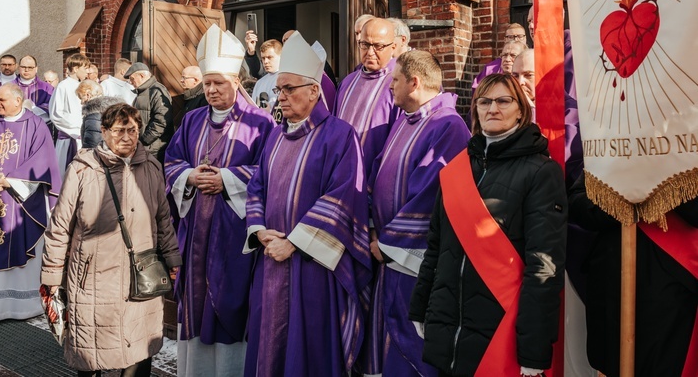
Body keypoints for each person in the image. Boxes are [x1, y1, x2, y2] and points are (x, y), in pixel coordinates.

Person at [409, 73, 567, 377]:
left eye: (503, 101)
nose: (493, 108)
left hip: (501, 330)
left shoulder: (541, 172)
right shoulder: (457, 169)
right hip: (449, 330)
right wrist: (420, 307)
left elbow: (544, 266)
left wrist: (534, 351)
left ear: (520, 109)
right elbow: (436, 247)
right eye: (485, 101)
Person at [243, 31, 371, 377]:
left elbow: (344, 197)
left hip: (312, 265)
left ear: (314, 91)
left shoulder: (339, 135)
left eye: (289, 89)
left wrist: (293, 242)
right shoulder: (275, 134)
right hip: (271, 259)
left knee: (308, 349)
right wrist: (259, 232)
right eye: (279, 89)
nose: (280, 96)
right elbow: (257, 186)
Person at [164, 24, 275, 376]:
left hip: (233, 232)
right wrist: (189, 177)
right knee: (194, 305)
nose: (211, 90)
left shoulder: (260, 123)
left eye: (219, 83)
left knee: (231, 301)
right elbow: (171, 160)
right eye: (207, 83)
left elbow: (269, 171)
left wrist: (225, 179)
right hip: (195, 226)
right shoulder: (192, 119)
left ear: (236, 81)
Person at [41, 103, 181, 377]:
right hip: (93, 277)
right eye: (118, 131)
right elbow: (60, 226)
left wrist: (173, 258)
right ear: (103, 132)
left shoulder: (151, 166)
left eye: (132, 130)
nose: (126, 137)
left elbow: (164, 219)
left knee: (139, 347)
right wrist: (52, 275)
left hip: (140, 275)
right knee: (91, 351)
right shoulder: (83, 170)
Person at [363, 51, 471, 377]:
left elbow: (430, 194)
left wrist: (387, 242)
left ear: (414, 82)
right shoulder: (403, 121)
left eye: (394, 80)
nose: (389, 87)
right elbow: (377, 171)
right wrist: (370, 226)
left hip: (413, 259)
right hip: (387, 253)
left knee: (412, 341)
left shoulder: (448, 125)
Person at [568, 177, 697, 377]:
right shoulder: (611, 147)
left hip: (673, 292)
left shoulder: (688, 150)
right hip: (611, 289)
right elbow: (579, 205)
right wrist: (625, 200)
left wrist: (659, 186)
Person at [0, 83, 61, 320]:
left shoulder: (37, 125)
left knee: (21, 243)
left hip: (23, 200)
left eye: (1, 100)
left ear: (18, 100)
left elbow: (43, 161)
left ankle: (24, 306)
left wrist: (13, 181)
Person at [335, 17, 400, 178]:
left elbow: (398, 140)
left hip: (375, 177)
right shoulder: (347, 82)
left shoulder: (398, 83)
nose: (370, 52)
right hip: (340, 174)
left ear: (393, 47)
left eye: (378, 46)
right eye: (365, 45)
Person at [49, 53, 90, 177]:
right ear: (76, 68)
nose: (87, 71)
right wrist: (77, 129)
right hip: (69, 139)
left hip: (82, 138)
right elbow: (56, 114)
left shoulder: (83, 86)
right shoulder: (63, 86)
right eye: (85, 68)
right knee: (66, 176)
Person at [124, 63, 173, 162]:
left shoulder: (157, 91)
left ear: (142, 76)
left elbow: (161, 122)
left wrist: (143, 141)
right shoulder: (142, 92)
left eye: (132, 78)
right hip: (145, 147)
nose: (131, 82)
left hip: (155, 149)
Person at [471, 23, 529, 92]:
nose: (515, 40)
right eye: (510, 37)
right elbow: (478, 91)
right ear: (505, 40)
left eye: (520, 36)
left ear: (525, 38)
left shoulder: (533, 63)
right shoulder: (491, 69)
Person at [76, 79, 122, 149]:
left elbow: (92, 143)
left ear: (88, 95)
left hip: (98, 156)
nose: (81, 102)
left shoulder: (94, 114)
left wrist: (86, 156)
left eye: (81, 98)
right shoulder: (112, 109)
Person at [14, 55, 54, 123]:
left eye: (30, 67)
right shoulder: (9, 86)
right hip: (15, 124)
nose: (26, 70)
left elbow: (53, 105)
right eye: (23, 67)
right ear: (18, 67)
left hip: (40, 124)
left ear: (36, 69)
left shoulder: (47, 87)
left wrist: (33, 110)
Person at [251, 39, 282, 112]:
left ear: (281, 56)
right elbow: (252, 106)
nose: (265, 62)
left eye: (269, 57)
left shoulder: (287, 79)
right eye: (263, 58)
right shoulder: (259, 83)